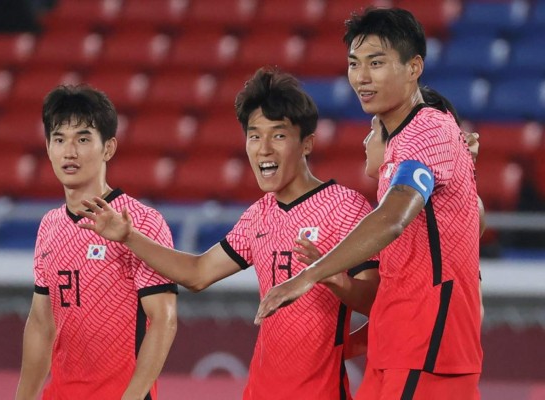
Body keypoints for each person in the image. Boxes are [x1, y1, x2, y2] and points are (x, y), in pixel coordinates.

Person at [77, 67, 380, 400]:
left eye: (278, 135)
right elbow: (197, 274)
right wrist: (129, 237)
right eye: (254, 135)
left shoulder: (345, 207)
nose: (263, 148)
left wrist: (333, 277)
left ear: (306, 143)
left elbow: (376, 301)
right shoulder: (257, 216)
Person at [256, 8, 482, 400]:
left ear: (414, 67)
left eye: (376, 63)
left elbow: (393, 218)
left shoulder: (426, 130)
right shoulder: (402, 145)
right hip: (396, 345)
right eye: (354, 64)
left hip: (427, 348)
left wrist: (309, 274)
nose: (361, 77)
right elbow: (469, 221)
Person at [15, 84, 178, 400]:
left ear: (108, 148)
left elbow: (163, 320)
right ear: (48, 147)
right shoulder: (49, 226)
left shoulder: (140, 222)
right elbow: (40, 324)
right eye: (59, 139)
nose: (69, 151)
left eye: (83, 139)